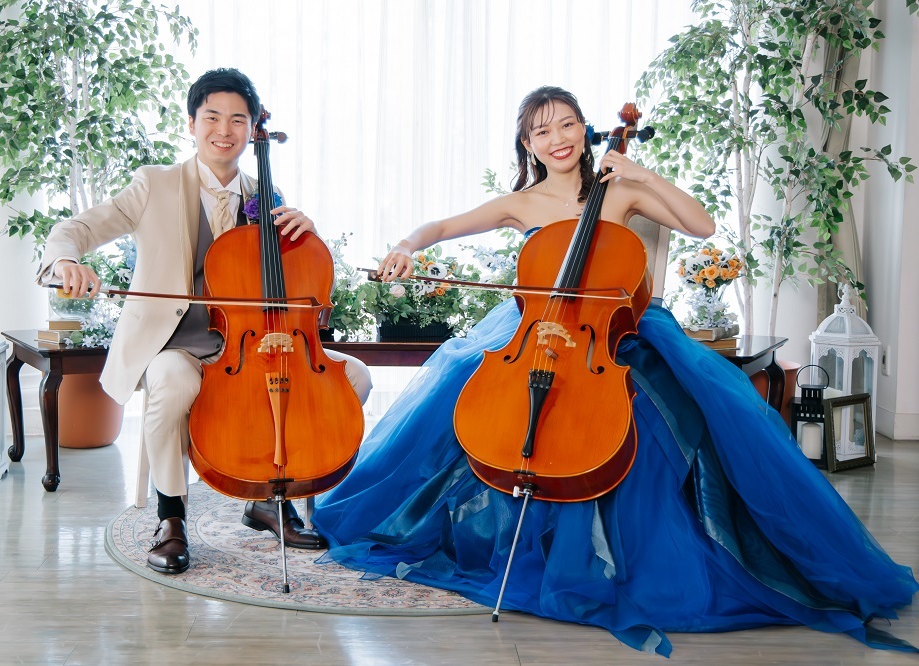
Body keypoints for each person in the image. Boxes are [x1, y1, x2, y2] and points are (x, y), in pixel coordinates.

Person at [311, 86, 917, 656]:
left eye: (567, 124)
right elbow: (442, 228)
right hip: (537, 329)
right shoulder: (521, 204)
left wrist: (640, 173)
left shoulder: (618, 191)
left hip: (615, 335)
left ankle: (629, 555)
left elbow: (701, 225)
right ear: (527, 144)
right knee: (475, 400)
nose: (557, 139)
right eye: (541, 131)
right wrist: (407, 247)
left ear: (585, 128)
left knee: (653, 415)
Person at [37, 68, 372, 575]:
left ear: (253, 129)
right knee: (172, 382)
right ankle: (171, 516)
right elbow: (78, 228)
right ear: (191, 124)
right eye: (212, 117)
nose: (224, 130)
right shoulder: (154, 184)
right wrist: (65, 260)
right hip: (176, 342)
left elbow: (291, 282)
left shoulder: (266, 196)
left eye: (238, 120)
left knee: (353, 378)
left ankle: (267, 498)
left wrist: (306, 234)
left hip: (248, 345)